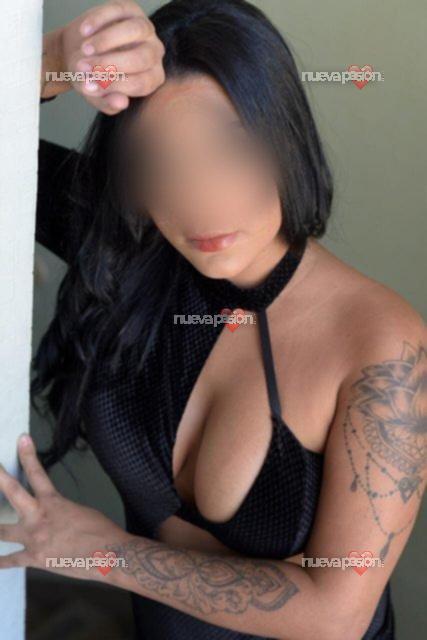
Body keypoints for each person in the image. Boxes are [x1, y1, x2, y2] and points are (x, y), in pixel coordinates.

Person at [0, 1, 425, 639]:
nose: (201, 201)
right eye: (162, 162)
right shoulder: (126, 246)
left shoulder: (380, 342)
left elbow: (336, 613)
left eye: (232, 148)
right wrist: (59, 60)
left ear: (285, 138)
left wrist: (104, 555)